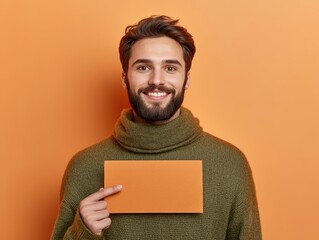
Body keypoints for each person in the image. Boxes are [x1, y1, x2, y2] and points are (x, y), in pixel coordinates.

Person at [52, 15, 262, 239]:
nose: (156, 80)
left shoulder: (229, 164)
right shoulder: (85, 167)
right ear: (125, 78)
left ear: (186, 79)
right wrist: (82, 232)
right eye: (143, 67)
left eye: (170, 68)